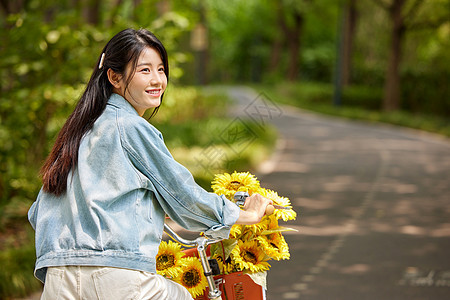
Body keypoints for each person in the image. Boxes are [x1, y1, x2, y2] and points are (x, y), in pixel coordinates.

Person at [28, 28, 272, 299]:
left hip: (57, 279)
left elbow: (38, 213)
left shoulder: (78, 130)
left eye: (161, 70)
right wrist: (245, 215)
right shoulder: (131, 126)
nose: (157, 80)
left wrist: (145, 210)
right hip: (115, 277)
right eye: (145, 70)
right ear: (115, 77)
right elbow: (182, 195)